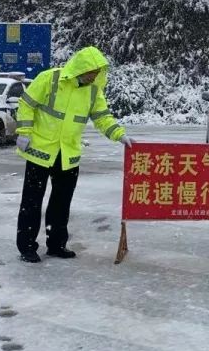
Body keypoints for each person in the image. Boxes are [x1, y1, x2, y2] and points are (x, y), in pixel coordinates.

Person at [14, 46, 132, 262]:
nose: (93, 77)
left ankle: (57, 244)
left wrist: (119, 135)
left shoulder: (93, 91)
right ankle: (27, 247)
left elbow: (102, 117)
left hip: (68, 154)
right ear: (81, 67)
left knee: (61, 202)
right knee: (32, 202)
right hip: (40, 151)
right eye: (91, 72)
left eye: (97, 73)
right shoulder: (50, 79)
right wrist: (24, 132)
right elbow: (26, 104)